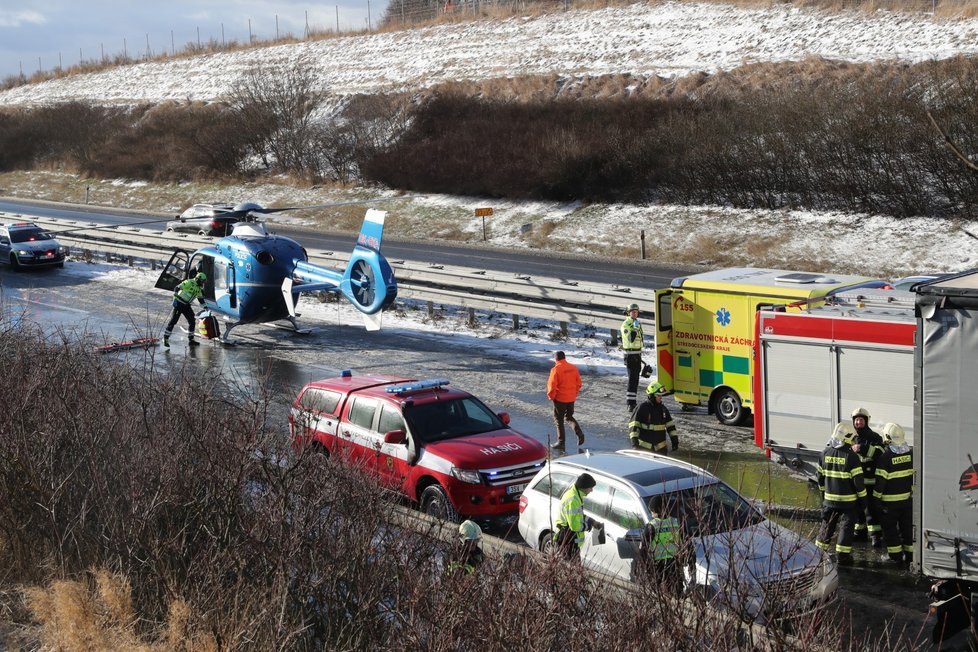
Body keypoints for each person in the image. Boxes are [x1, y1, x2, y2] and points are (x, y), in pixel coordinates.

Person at [815, 422, 867, 565]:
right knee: (846, 528)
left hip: (829, 501)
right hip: (848, 503)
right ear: (847, 437)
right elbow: (859, 484)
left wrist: (823, 496)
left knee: (827, 525)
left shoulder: (824, 453)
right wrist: (863, 501)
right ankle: (842, 557)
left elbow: (819, 479)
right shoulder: (852, 457)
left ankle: (818, 554)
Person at [874, 422, 914, 566]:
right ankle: (910, 556)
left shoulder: (885, 457)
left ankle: (895, 557)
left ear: (887, 437)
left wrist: (876, 499)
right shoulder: (911, 453)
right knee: (907, 529)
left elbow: (880, 482)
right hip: (907, 501)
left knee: (890, 530)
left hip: (889, 504)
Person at [633, 495, 684, 590]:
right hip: (674, 565)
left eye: (651, 510)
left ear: (654, 510)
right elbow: (686, 544)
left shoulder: (652, 526)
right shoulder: (676, 522)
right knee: (677, 594)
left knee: (658, 594)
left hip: (657, 566)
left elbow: (642, 549)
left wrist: (638, 568)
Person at [851, 406, 884, 547]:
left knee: (871, 509)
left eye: (861, 420)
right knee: (857, 507)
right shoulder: (851, 437)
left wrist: (862, 449)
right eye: (856, 420)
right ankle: (859, 532)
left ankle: (876, 536)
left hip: (870, 480)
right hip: (856, 480)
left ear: (866, 421)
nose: (858, 423)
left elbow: (880, 453)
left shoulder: (875, 437)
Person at [546, 351, 585, 451]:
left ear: (556, 359)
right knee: (569, 417)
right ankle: (579, 433)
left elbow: (552, 386)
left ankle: (561, 442)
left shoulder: (555, 369)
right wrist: (573, 393)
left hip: (560, 399)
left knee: (559, 420)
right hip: (571, 398)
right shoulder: (573, 368)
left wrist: (552, 397)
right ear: (564, 357)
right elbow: (579, 383)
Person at [628, 380, 678, 454]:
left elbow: (670, 426)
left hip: (661, 450)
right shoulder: (642, 408)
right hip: (644, 450)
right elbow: (633, 427)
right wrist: (635, 444)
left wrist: (675, 441)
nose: (661, 397)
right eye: (658, 395)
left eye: (661, 395)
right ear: (652, 396)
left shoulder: (663, 409)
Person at [554, 473, 595, 560]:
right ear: (584, 487)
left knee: (568, 568)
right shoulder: (573, 499)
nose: (591, 490)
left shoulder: (575, 494)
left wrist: (589, 520)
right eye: (590, 488)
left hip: (568, 539)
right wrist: (587, 526)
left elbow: (577, 514)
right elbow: (575, 526)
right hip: (568, 540)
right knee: (571, 569)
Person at [163, 272, 207, 347]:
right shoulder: (189, 282)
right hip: (179, 303)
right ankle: (165, 338)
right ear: (198, 279)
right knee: (173, 321)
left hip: (186, 305)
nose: (203, 284)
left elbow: (200, 299)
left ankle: (191, 340)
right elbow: (177, 287)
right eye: (202, 282)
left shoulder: (198, 289)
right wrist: (176, 292)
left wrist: (206, 308)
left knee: (192, 321)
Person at [620, 303, 645, 412]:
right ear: (628, 313)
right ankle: (630, 404)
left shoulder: (637, 323)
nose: (635, 313)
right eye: (633, 312)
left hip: (637, 355)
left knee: (636, 379)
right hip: (630, 356)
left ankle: (633, 402)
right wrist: (634, 328)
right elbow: (631, 339)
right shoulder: (626, 324)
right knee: (632, 380)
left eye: (636, 312)